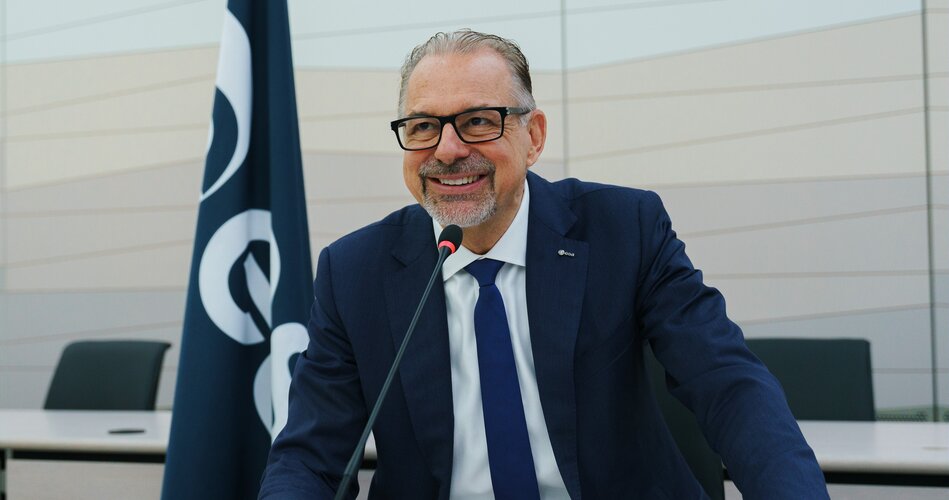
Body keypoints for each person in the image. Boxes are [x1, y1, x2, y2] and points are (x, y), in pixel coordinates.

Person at [259, 30, 829, 499]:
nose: (448, 149)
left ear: (533, 137)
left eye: (478, 121)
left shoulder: (623, 228)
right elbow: (310, 458)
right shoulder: (354, 270)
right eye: (423, 126)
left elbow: (727, 384)